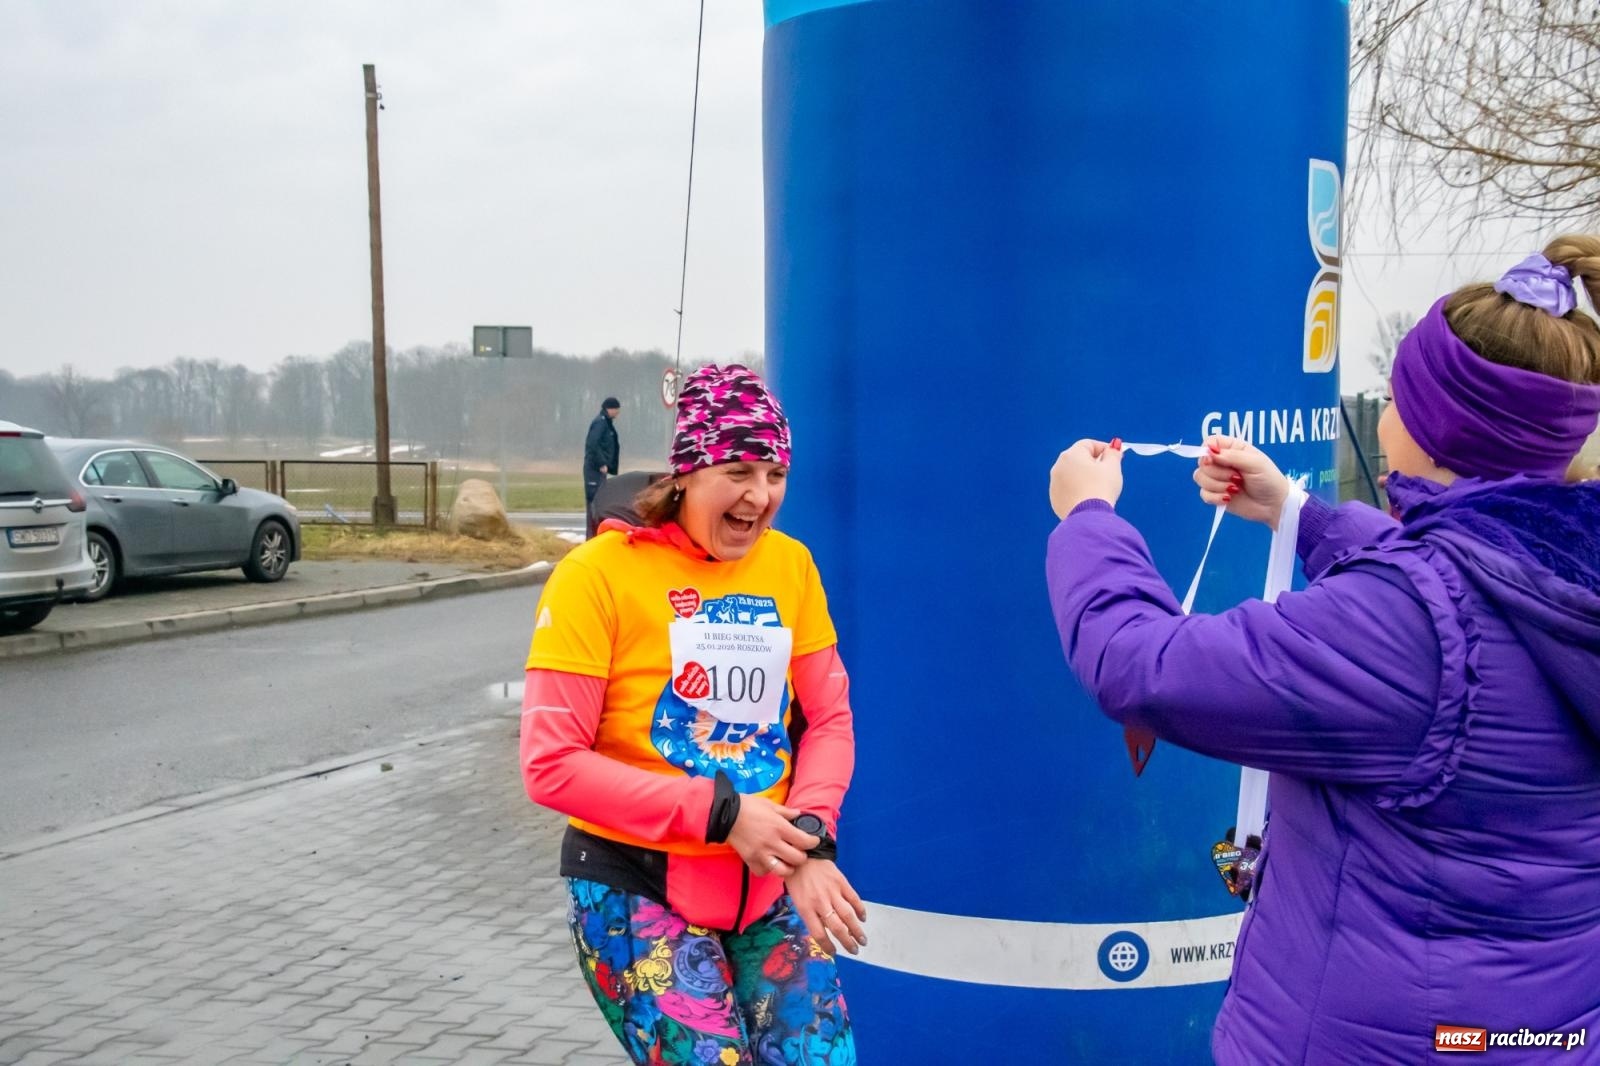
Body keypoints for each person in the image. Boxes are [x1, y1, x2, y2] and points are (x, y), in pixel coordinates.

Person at [1044, 237, 1600, 1063]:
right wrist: (1296, 512)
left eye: (1400, 394)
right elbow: (1462, 582)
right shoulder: (1561, 571)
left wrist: (1088, 517)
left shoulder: (1409, 629)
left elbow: (1140, 665)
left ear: (1436, 430)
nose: (1388, 411)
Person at [523, 363, 866, 1065]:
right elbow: (551, 766)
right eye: (738, 470)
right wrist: (722, 814)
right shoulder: (597, 575)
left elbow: (828, 719)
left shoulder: (791, 566)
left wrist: (809, 835)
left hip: (766, 880)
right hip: (635, 881)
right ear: (686, 471)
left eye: (774, 473)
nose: (759, 495)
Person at [583, 397, 622, 538]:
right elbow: (592, 444)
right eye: (617, 409)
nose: (618, 413)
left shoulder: (606, 423)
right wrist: (601, 463)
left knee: (601, 502)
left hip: (599, 471)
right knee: (594, 503)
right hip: (594, 471)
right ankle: (591, 537)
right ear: (610, 408)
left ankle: (596, 536)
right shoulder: (600, 423)